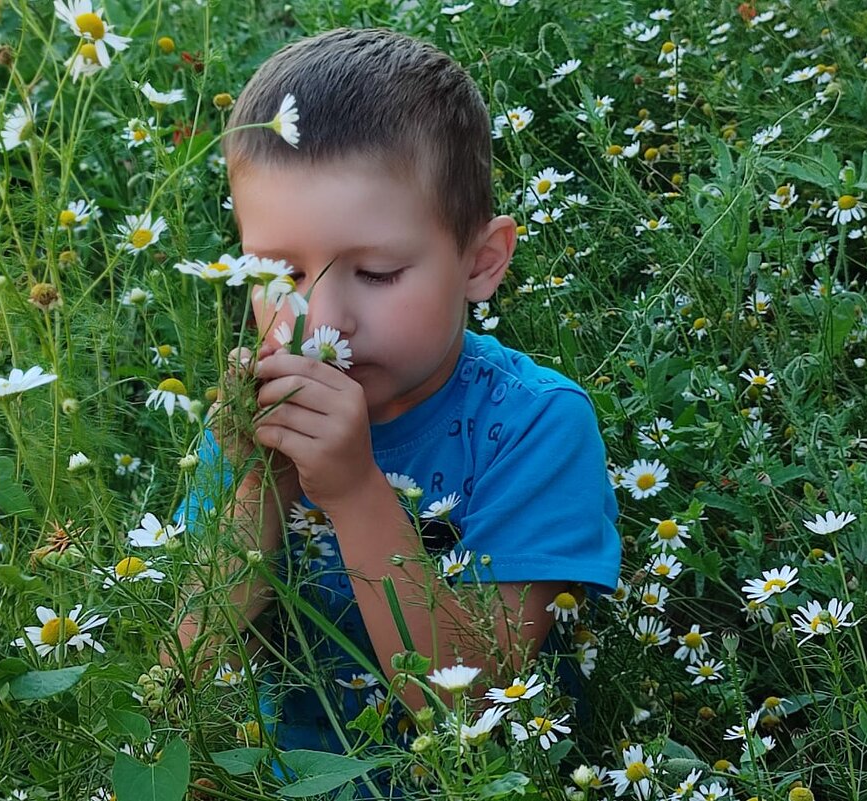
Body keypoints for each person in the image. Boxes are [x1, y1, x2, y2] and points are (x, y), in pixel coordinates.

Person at [169, 26, 621, 763]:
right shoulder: (252, 427)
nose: (320, 320)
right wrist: (260, 480)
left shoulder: (535, 425)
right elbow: (186, 667)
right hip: (273, 774)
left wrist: (352, 491)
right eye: (277, 274)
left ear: (480, 262)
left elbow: (472, 708)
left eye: (376, 273)